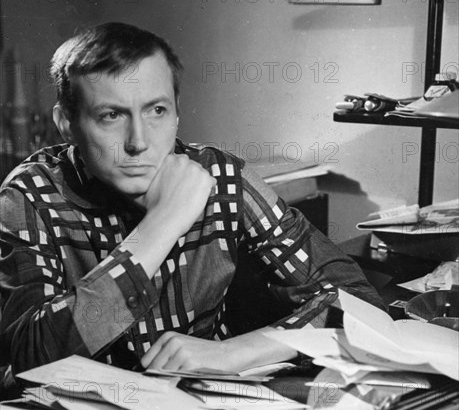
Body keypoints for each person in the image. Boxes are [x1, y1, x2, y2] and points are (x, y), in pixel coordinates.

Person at [0, 22, 383, 382]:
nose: (139, 141)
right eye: (111, 115)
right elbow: (29, 357)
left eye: (157, 110)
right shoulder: (28, 195)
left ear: (177, 112)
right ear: (66, 123)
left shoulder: (221, 176)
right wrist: (161, 223)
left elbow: (357, 301)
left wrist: (238, 351)